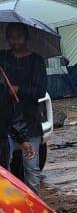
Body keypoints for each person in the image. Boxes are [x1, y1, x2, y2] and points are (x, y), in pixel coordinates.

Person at [0, 24, 47, 193]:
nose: (15, 41)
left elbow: (40, 90)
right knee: (4, 166)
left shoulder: (36, 61)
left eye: (19, 37)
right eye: (11, 37)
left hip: (30, 120)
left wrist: (19, 89)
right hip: (6, 120)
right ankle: (10, 206)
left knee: (32, 167)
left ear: (26, 38)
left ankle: (33, 206)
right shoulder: (2, 58)